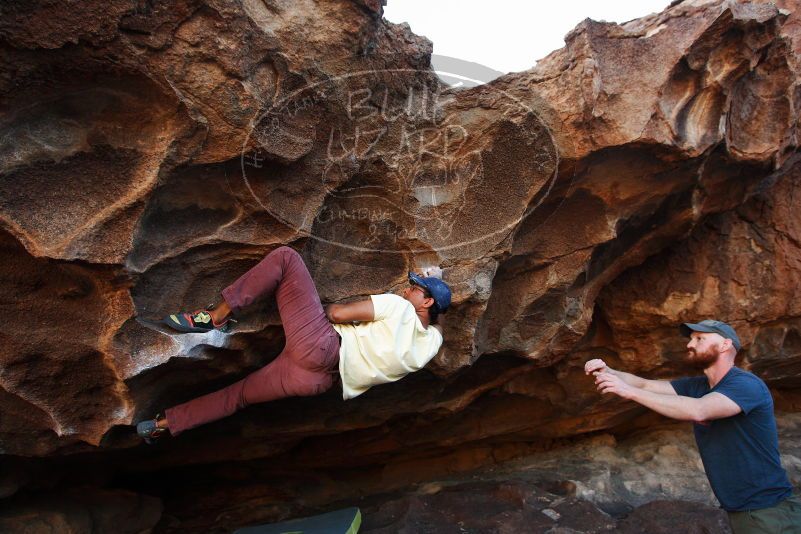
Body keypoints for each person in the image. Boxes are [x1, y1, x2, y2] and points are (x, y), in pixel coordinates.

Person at [136, 246, 451, 442]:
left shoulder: (397, 308)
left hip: (320, 345)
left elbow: (336, 313)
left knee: (287, 258)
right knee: (237, 396)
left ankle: (216, 315)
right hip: (316, 380)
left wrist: (382, 309)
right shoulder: (431, 344)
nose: (407, 290)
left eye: (415, 288)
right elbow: (438, 321)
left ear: (425, 301)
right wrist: (439, 286)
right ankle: (162, 423)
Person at [585, 319, 801, 533]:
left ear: (726, 345)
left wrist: (628, 392)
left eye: (700, 338)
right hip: (743, 510)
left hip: (766, 511)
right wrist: (610, 372)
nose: (690, 344)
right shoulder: (697, 386)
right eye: (690, 339)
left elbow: (700, 409)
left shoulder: (745, 384)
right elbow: (645, 384)